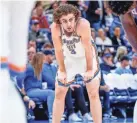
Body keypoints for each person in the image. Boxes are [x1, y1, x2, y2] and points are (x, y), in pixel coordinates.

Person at [51, 4, 102, 123]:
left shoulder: (83, 24)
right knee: (59, 92)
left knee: (93, 92)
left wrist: (89, 70)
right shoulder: (55, 27)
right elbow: (58, 50)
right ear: (59, 21)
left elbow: (88, 49)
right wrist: (62, 71)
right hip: (69, 57)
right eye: (64, 21)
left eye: (71, 20)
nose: (68, 24)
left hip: (87, 57)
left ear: (75, 18)